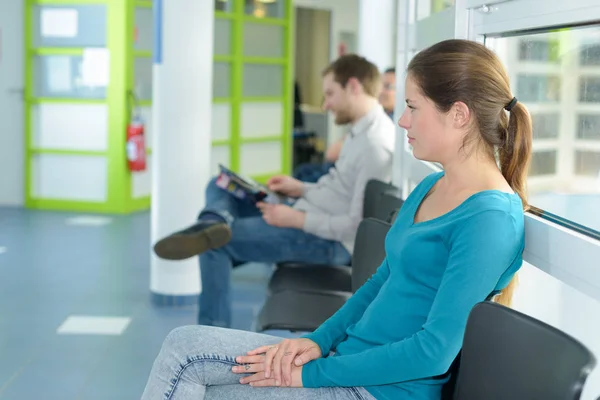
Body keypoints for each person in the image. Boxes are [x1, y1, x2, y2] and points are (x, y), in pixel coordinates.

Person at [141, 39, 532, 400]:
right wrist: (317, 340)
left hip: (378, 391)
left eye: (413, 107)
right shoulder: (431, 186)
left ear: (459, 115)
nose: (402, 121)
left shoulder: (490, 220)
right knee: (183, 346)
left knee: (198, 381)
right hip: (346, 361)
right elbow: (381, 280)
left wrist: (314, 373)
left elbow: (432, 353)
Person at [153, 54, 396, 328]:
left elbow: (356, 227)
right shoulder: (359, 133)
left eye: (330, 94)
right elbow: (339, 190)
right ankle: (213, 222)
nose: (325, 104)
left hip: (327, 241)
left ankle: (211, 333)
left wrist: (295, 219)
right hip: (307, 213)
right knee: (219, 184)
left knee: (215, 245)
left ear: (353, 86)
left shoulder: (375, 145)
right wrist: (299, 188)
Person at [293, 67, 397, 183]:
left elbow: (334, 152)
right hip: (340, 170)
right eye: (381, 86)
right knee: (303, 171)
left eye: (388, 87)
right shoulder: (376, 115)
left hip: (348, 176)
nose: (381, 91)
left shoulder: (392, 125)